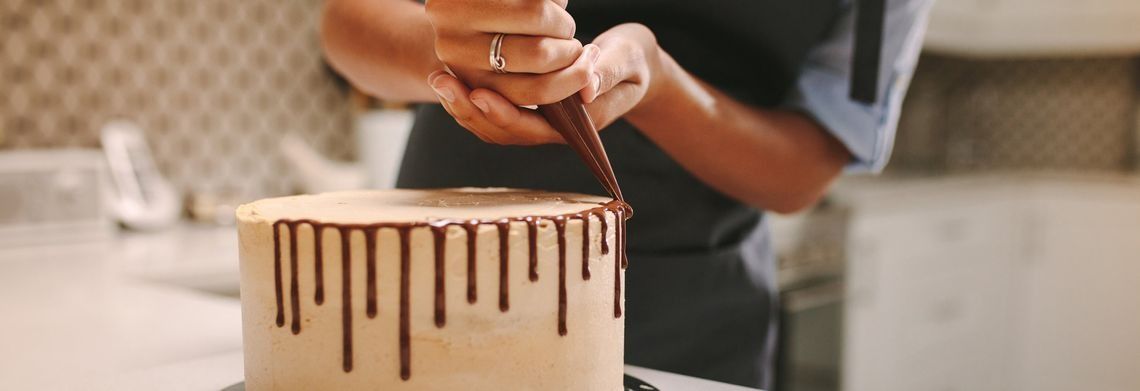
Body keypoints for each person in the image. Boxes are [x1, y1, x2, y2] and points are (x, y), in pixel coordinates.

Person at [320, 0, 933, 387]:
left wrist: (659, 82)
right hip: (433, 290)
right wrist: (451, 50)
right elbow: (347, 22)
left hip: (686, 321)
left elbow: (803, 168)